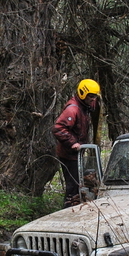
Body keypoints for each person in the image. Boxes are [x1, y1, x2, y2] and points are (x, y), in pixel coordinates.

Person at [52, 78, 101, 207]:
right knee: (73, 186)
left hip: (77, 154)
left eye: (95, 97)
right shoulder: (73, 109)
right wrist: (72, 143)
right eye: (91, 96)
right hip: (69, 154)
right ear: (83, 94)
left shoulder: (85, 105)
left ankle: (78, 206)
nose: (93, 99)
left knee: (81, 183)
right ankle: (68, 210)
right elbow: (58, 128)